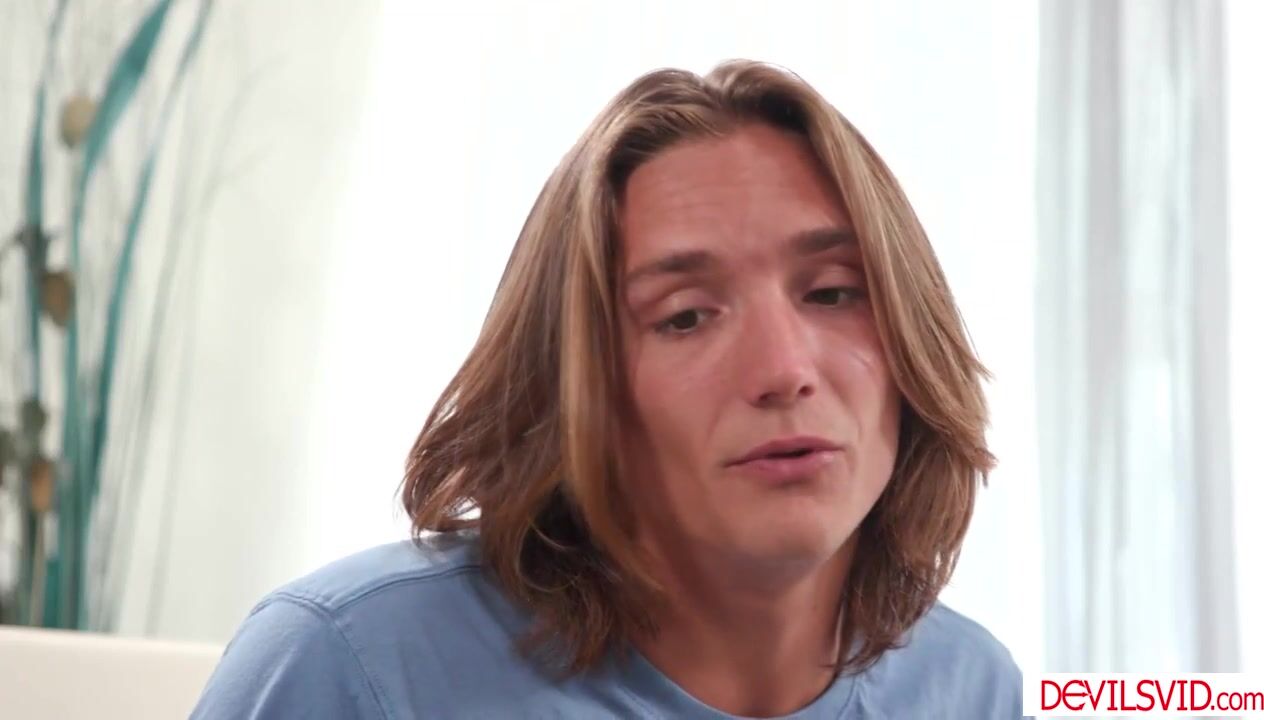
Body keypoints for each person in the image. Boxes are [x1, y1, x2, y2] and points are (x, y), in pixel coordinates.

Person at [192, 60, 1023, 719]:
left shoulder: (972, 687)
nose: (783, 370)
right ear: (573, 387)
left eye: (834, 293)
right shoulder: (354, 665)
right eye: (685, 317)